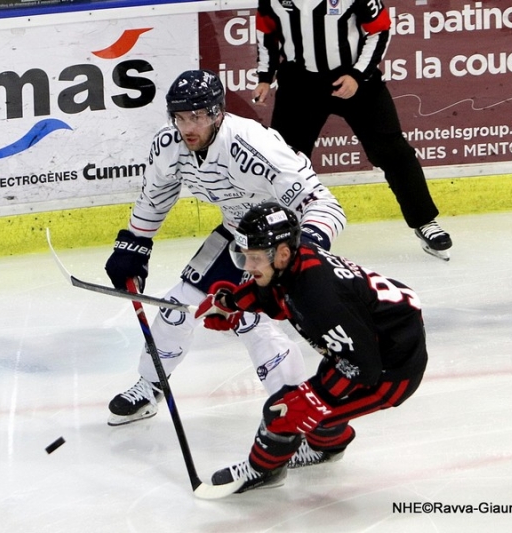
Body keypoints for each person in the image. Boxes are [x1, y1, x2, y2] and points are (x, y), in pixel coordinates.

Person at [103, 70, 347, 433]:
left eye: (197, 117)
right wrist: (135, 245)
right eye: (180, 117)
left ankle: (294, 414)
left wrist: (300, 253)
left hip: (281, 246)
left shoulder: (252, 145)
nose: (188, 127)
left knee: (251, 322)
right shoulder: (170, 144)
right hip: (237, 234)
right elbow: (155, 197)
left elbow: (326, 205)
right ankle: (151, 385)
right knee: (176, 306)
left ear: (217, 113)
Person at [195, 201, 427, 494]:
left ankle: (263, 471)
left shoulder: (319, 297)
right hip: (366, 343)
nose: (248, 267)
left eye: (254, 258)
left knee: (284, 412)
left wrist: (311, 400)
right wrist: (231, 303)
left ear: (282, 254)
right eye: (244, 256)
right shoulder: (296, 260)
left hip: (389, 371)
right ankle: (328, 447)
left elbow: (362, 366)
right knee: (317, 406)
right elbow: (276, 294)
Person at [252, 0, 453, 260]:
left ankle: (424, 221)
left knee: (393, 151)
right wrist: (265, 77)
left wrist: (358, 75)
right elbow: (266, 31)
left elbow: (380, 29)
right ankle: (279, 231)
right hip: (300, 85)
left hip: (357, 81)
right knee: (285, 162)